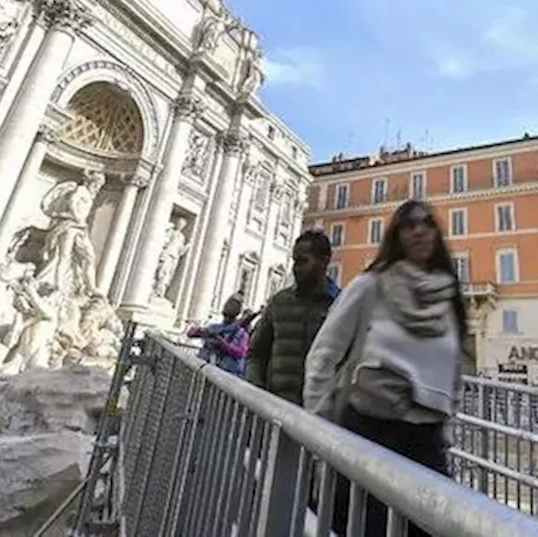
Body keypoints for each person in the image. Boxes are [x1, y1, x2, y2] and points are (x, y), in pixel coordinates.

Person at [304, 200, 466, 537]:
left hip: (427, 444)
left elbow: (453, 372)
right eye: (409, 224)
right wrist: (319, 431)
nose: (419, 229)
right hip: (367, 435)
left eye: (427, 223)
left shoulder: (446, 297)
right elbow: (324, 354)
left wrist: (446, 431)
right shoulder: (371, 285)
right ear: (396, 234)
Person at [246, 229, 339, 405]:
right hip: (274, 407)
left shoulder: (340, 306)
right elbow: (256, 353)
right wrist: (255, 388)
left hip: (319, 416)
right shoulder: (278, 302)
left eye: (303, 261)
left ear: (324, 261)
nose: (295, 269)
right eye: (294, 261)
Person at [187, 294, 254, 377]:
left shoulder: (241, 333)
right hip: (208, 370)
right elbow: (190, 333)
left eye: (230, 316)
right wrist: (199, 332)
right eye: (225, 315)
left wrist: (222, 344)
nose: (226, 318)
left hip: (227, 374)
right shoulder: (214, 328)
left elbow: (240, 352)